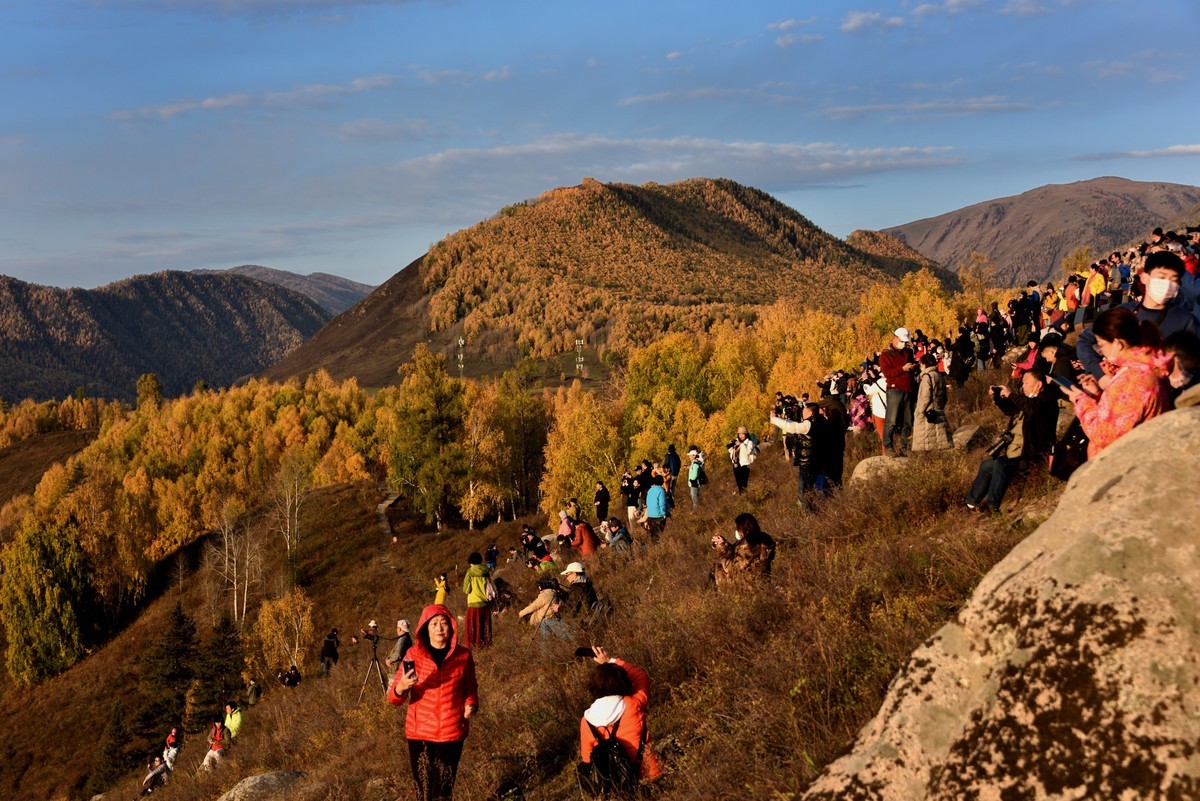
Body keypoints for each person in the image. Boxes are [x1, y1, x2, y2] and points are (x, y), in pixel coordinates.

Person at [387, 605, 479, 801]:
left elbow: (470, 688)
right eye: (434, 624)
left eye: (444, 623)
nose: (439, 628)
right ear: (425, 628)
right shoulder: (413, 655)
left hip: (451, 733)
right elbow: (394, 699)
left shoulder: (463, 656)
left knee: (443, 793)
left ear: (451, 627)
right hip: (420, 734)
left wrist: (470, 704)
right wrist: (401, 686)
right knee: (423, 793)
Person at [1076, 251, 1200, 389]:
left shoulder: (1186, 320)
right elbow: (1085, 340)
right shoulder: (1124, 313)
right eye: (1162, 277)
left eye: (1173, 280)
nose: (1167, 285)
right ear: (1145, 277)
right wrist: (1100, 375)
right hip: (1122, 393)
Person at [1066, 307, 1173, 458]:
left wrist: (1083, 403)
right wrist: (1097, 395)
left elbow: (1106, 436)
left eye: (1101, 345)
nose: (1102, 351)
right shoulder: (1141, 367)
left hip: (1125, 463)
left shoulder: (1131, 381)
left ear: (1117, 343)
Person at [965, 369, 1059, 513]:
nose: (1023, 386)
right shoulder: (1030, 400)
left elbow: (1032, 407)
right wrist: (998, 397)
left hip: (1034, 454)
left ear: (1039, 384)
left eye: (1026, 383)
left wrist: (1011, 395)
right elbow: (1012, 410)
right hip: (1018, 452)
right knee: (986, 465)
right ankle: (971, 503)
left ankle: (993, 506)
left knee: (1002, 465)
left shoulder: (1047, 401)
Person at [577, 646, 662, 798]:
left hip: (617, 788)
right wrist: (609, 661)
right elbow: (640, 676)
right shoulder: (633, 705)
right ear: (623, 682)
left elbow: (588, 759)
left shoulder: (586, 721)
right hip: (650, 775)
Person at [879, 327, 917, 456]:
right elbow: (887, 372)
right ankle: (888, 446)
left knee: (908, 420)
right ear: (895, 339)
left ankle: (905, 445)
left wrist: (913, 367)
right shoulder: (886, 354)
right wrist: (902, 369)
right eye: (902, 341)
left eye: (905, 342)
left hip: (908, 388)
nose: (904, 344)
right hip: (895, 389)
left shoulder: (908, 352)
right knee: (892, 420)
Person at [709, 512, 776, 586]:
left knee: (715, 570)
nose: (737, 531)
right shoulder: (760, 540)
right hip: (758, 582)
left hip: (747, 585)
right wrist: (724, 543)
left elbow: (731, 568)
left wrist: (721, 547)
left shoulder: (750, 546)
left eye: (738, 529)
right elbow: (738, 554)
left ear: (743, 529)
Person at [912, 354, 953, 452]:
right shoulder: (939, 375)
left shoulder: (927, 377)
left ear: (924, 364)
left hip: (927, 413)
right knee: (941, 443)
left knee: (926, 445)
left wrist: (920, 411)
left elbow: (925, 397)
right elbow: (944, 396)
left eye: (921, 364)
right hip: (938, 411)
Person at [462, 552, 493, 649]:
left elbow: (466, 590)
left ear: (471, 562)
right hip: (485, 603)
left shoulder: (470, 572)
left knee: (473, 627)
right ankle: (486, 645)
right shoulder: (486, 571)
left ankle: (475, 647)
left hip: (474, 603)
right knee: (484, 627)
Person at [638, 474, 668, 542]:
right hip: (658, 515)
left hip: (650, 515)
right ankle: (658, 545)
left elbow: (647, 502)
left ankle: (653, 544)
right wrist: (663, 513)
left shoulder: (650, 490)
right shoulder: (661, 490)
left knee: (652, 533)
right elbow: (662, 503)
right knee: (659, 533)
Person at [728, 426, 756, 493]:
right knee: (739, 484)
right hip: (736, 464)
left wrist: (741, 444)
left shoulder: (749, 443)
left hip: (745, 465)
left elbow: (748, 452)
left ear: (746, 434)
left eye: (743, 434)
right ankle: (742, 496)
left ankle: (745, 496)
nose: (741, 436)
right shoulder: (737, 442)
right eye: (740, 434)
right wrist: (731, 446)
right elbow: (731, 453)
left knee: (744, 484)